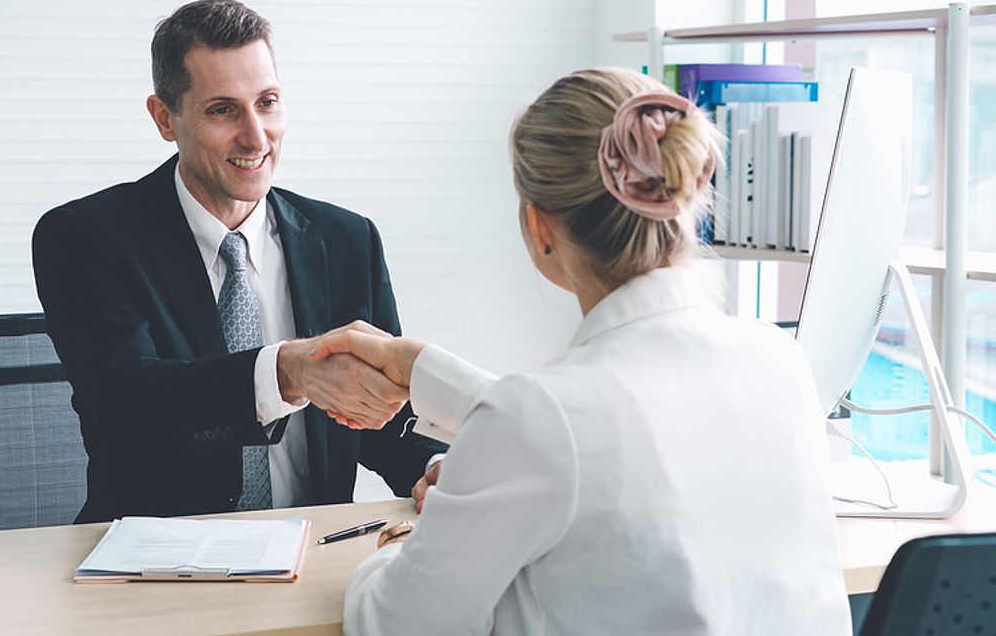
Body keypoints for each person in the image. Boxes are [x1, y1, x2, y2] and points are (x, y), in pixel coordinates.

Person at [319, 68, 851, 634]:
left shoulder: (542, 418)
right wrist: (423, 367)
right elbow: (598, 432)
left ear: (538, 227)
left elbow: (393, 624)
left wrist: (414, 542)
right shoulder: (780, 361)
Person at [31, 0, 444, 524]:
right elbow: (123, 406)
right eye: (223, 110)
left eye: (267, 102)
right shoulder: (87, 237)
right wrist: (286, 372)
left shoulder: (345, 239)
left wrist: (431, 464)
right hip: (154, 567)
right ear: (164, 118)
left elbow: (379, 413)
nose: (256, 136)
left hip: (310, 554)